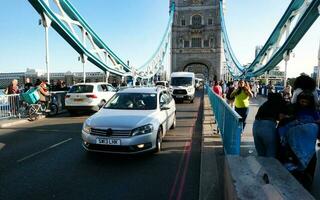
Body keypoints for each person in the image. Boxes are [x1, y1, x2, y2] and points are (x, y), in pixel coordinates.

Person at [278, 91, 319, 190]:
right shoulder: (295, 110)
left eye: (305, 102)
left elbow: (282, 126)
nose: (303, 103)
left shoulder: (313, 112)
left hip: (301, 147)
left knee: (300, 172)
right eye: (302, 101)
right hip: (297, 147)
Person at [253, 93, 286, 157]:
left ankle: (261, 167)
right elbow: (281, 117)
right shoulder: (279, 104)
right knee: (271, 154)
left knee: (261, 154)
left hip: (256, 126)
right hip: (268, 127)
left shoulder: (265, 104)